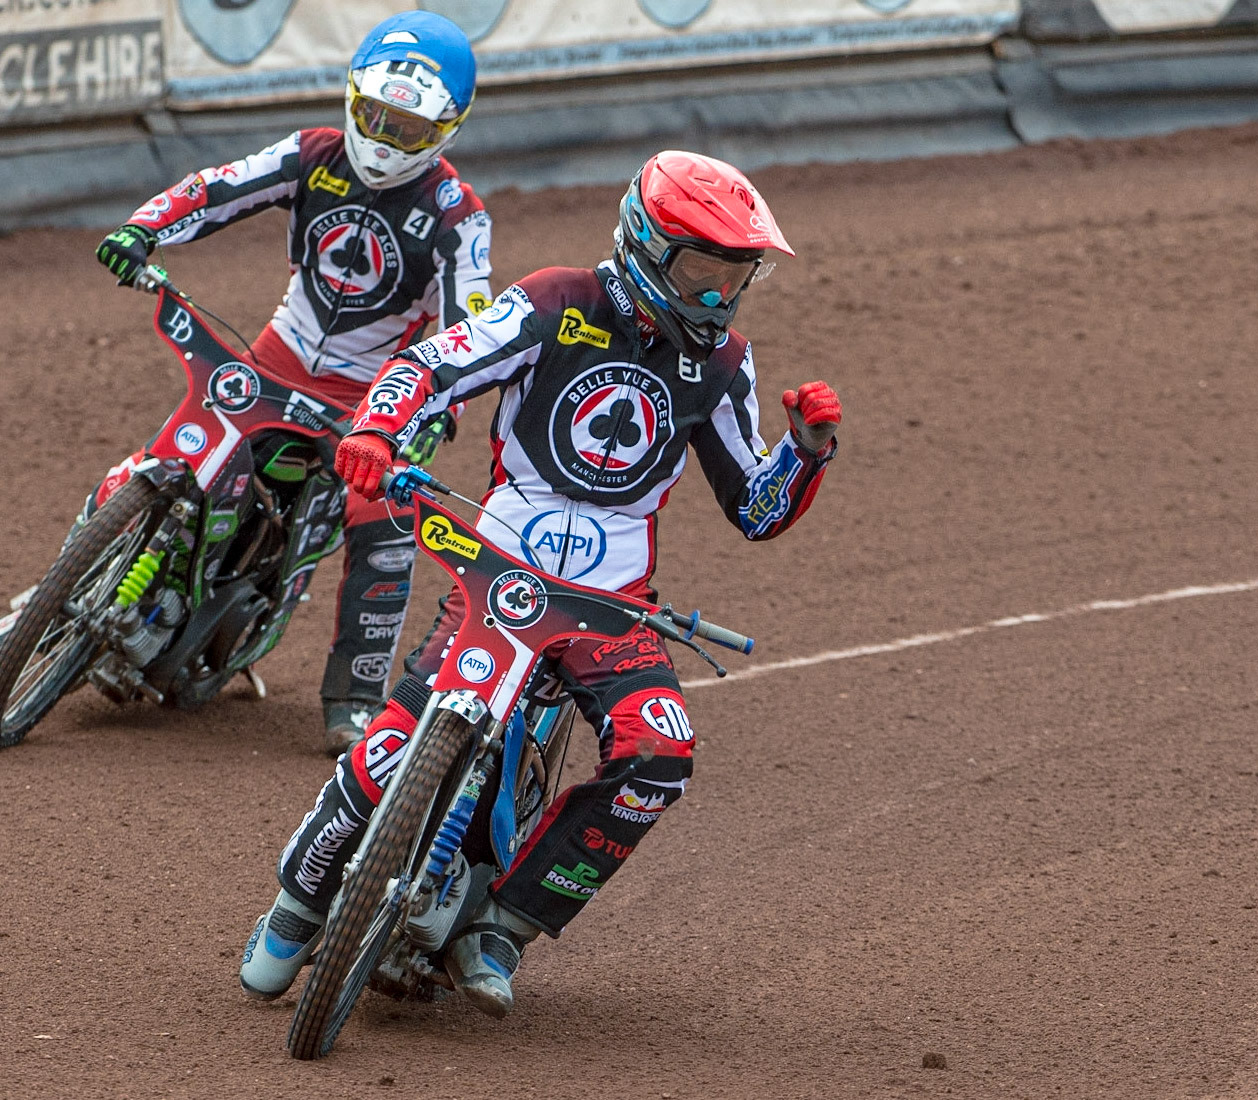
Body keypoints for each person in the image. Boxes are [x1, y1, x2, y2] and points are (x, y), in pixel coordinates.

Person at [238, 151, 843, 1017]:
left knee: (661, 755)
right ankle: (298, 902)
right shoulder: (556, 300)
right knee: (392, 741)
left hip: (611, 606)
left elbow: (755, 507)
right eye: (702, 273)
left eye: (736, 278)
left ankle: (506, 925)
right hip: (500, 570)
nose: (718, 298)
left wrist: (807, 451)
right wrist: (375, 431)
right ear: (646, 244)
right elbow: (431, 364)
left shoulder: (725, 363)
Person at [0, 12, 494, 756]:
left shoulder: (458, 216)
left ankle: (355, 697)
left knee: (383, 517)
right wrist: (144, 229)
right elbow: (219, 187)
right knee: (168, 454)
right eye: (375, 115)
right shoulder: (311, 153)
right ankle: (53, 597)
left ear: (446, 129)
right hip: (276, 354)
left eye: (407, 128)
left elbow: (471, 326)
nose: (384, 138)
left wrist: (439, 406)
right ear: (352, 97)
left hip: (373, 396)